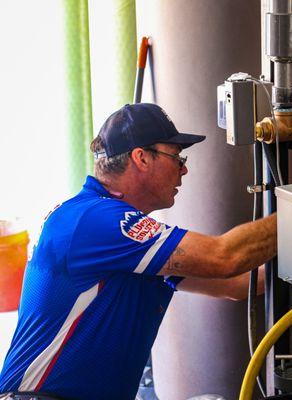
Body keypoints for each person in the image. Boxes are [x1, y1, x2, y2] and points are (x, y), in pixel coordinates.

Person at [0, 103, 276, 400]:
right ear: (141, 158)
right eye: (176, 156)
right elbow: (224, 257)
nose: (184, 169)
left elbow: (235, 284)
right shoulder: (94, 220)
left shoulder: (118, 236)